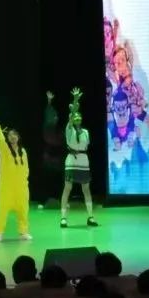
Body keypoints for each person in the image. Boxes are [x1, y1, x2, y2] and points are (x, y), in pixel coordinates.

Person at [0, 108, 31, 241]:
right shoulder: (4, 149)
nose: (12, 137)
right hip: (6, 187)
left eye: (15, 135)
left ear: (18, 137)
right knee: (3, 209)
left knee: (23, 209)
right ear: (8, 138)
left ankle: (23, 232)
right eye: (10, 135)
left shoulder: (23, 151)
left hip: (21, 187)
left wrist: (25, 182)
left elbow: (26, 169)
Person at [61, 87, 97, 227]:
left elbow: (85, 146)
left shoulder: (86, 132)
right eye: (74, 116)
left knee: (86, 189)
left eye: (78, 116)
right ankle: (63, 218)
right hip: (71, 161)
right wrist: (75, 100)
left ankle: (90, 217)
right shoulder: (68, 129)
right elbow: (71, 117)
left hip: (83, 162)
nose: (77, 118)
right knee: (67, 188)